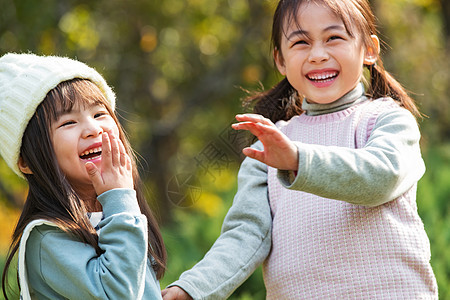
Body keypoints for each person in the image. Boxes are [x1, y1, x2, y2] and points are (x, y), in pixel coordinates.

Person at [162, 0, 438, 299]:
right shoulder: (270, 147)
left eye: (334, 38)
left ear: (369, 49)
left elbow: (381, 175)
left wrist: (297, 161)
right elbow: (246, 234)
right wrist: (192, 288)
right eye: (301, 42)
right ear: (280, 60)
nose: (318, 55)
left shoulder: (387, 119)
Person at [0, 53, 167, 299]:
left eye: (100, 114)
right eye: (68, 123)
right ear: (26, 162)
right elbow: (119, 294)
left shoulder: (114, 214)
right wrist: (119, 197)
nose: (92, 129)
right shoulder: (47, 238)